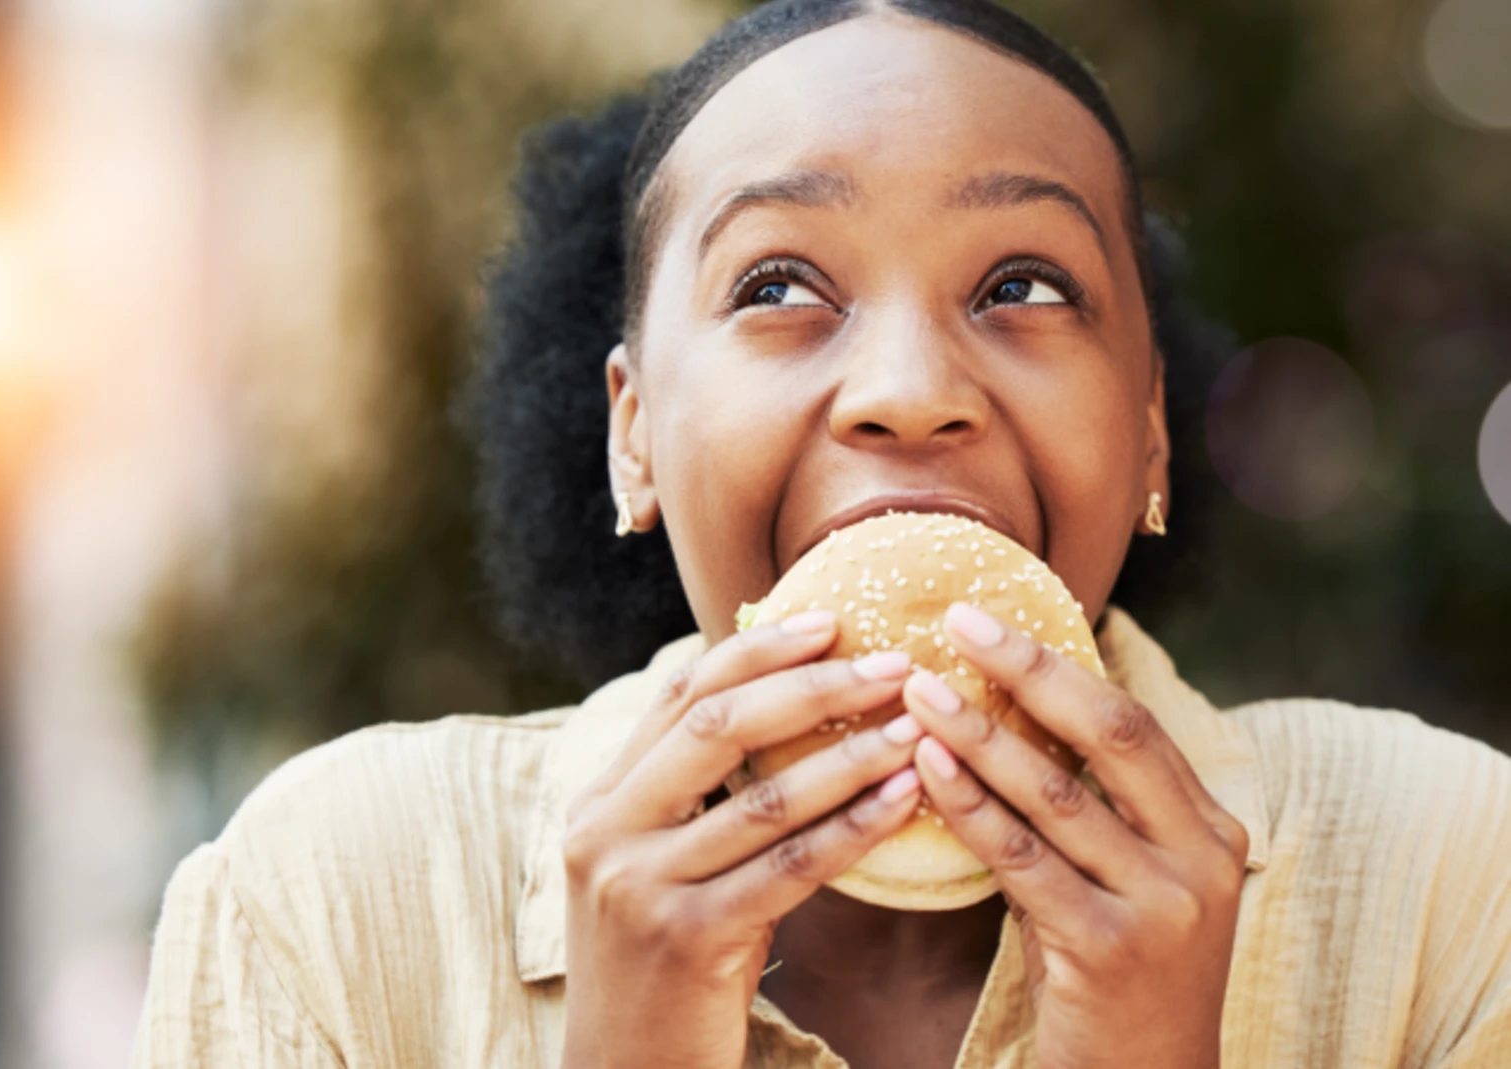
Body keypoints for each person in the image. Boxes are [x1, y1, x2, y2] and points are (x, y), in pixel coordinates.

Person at [128, 1, 1511, 1066]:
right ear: (633, 434)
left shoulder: (1453, 877)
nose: (908, 390)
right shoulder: (330, 900)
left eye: (1023, 286)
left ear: (1149, 429)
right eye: (779, 284)